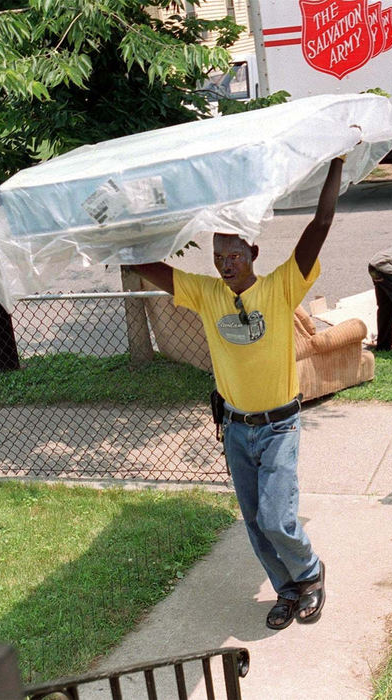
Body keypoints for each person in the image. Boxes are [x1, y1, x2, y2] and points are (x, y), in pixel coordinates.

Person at [132, 157, 344, 631]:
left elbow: (322, 222)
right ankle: (286, 590)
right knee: (254, 521)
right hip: (235, 428)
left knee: (276, 518)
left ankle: (310, 574)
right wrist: (116, 221)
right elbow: (144, 265)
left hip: (279, 425)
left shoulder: (280, 287)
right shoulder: (206, 293)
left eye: (234, 255)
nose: (226, 265)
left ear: (252, 251)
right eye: (218, 257)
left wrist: (336, 164)